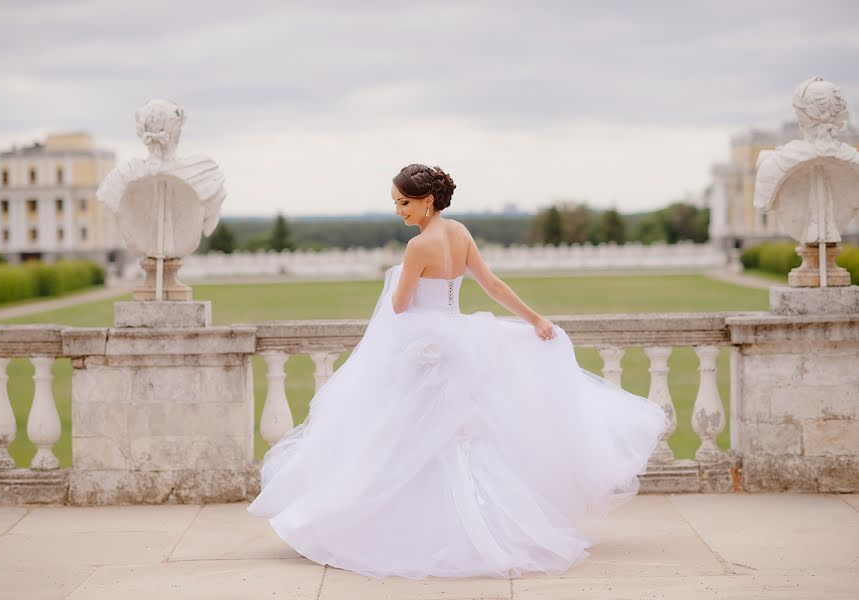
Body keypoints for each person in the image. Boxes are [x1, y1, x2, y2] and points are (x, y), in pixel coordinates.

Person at [247, 164, 669, 579]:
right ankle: (486, 528)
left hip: (424, 347)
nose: (399, 211)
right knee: (466, 438)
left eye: (404, 202)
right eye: (395, 203)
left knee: (403, 437)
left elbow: (399, 306)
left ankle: (407, 532)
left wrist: (397, 277)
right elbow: (492, 285)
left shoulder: (416, 248)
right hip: (461, 338)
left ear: (427, 201)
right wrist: (535, 319)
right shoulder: (461, 232)